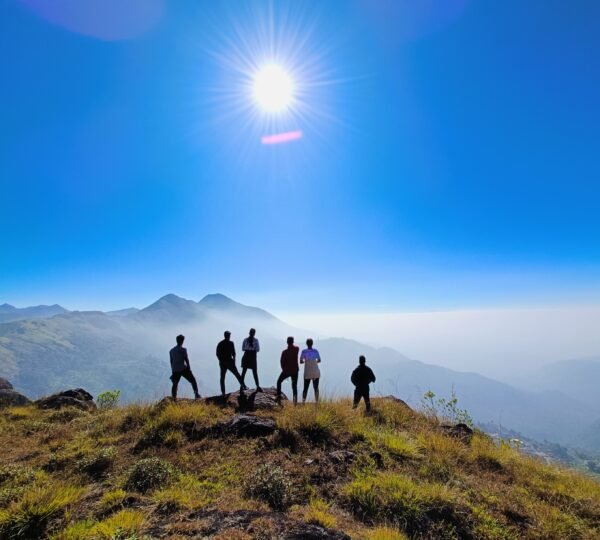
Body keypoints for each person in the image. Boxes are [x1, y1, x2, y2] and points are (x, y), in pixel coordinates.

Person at [169, 334, 201, 401]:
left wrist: (173, 370)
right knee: (193, 380)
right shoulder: (183, 350)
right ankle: (196, 394)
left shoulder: (171, 351)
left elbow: (171, 361)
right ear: (182, 341)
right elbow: (186, 359)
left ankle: (174, 398)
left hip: (175, 369)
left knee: (175, 384)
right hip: (183, 368)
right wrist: (189, 368)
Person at [216, 331, 246, 395]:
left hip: (224, 363)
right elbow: (234, 353)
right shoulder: (231, 343)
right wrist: (234, 362)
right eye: (229, 335)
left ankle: (223, 393)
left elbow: (217, 354)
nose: (229, 337)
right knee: (237, 375)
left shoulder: (220, 343)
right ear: (228, 336)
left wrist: (221, 361)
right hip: (229, 362)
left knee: (222, 378)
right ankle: (244, 386)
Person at [276, 337, 299, 405]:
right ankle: (295, 403)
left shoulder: (284, 352)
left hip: (287, 371)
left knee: (279, 382)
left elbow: (282, 362)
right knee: (294, 386)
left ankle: (279, 398)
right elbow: (295, 347)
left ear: (287, 342)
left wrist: (284, 369)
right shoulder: (297, 349)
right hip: (295, 370)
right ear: (293, 341)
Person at [300, 338, 321, 403]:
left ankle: (303, 402)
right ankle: (317, 402)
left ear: (306, 344)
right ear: (312, 343)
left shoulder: (304, 352)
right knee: (316, 388)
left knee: (305, 388)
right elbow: (319, 360)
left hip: (307, 372)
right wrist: (314, 362)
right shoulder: (315, 351)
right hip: (315, 372)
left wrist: (305, 361)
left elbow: (301, 361)